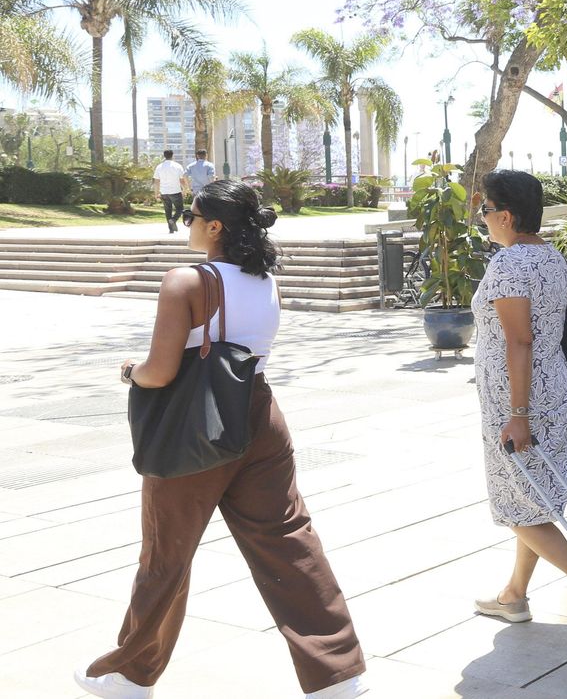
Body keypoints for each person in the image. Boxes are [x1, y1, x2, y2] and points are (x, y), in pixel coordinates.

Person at [80, 181, 366, 699]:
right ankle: (339, 677)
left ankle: (130, 676)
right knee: (289, 543)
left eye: (192, 216)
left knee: (167, 553)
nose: (186, 223)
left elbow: (161, 372)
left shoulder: (186, 281)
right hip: (260, 416)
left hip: (198, 424)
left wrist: (128, 371)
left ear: (214, 226)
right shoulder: (266, 280)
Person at [469, 169, 567, 645]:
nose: (483, 218)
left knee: (517, 507)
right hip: (555, 391)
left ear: (506, 216)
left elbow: (520, 341)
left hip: (518, 402)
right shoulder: (552, 258)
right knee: (536, 501)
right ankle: (514, 596)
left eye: (486, 210)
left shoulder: (508, 266)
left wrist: (518, 415)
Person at [153, 150, 187, 234]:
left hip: (164, 192)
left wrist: (156, 193)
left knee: (168, 211)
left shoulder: (159, 167)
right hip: (175, 191)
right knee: (180, 209)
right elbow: (181, 180)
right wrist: (185, 190)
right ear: (172, 156)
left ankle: (171, 229)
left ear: (164, 156)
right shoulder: (177, 166)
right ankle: (173, 220)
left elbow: (156, 181)